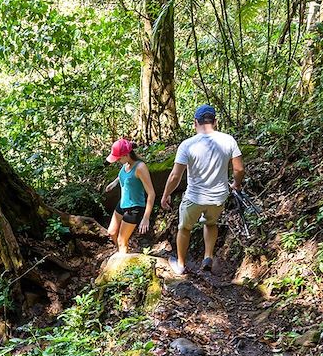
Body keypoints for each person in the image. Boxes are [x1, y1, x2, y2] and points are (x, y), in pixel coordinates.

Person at [160, 104, 245, 274]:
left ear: (195, 122)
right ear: (215, 121)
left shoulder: (187, 145)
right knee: (211, 223)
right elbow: (239, 169)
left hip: (195, 197)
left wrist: (165, 195)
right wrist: (236, 184)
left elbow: (175, 176)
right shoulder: (228, 140)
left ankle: (181, 265)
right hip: (218, 197)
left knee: (184, 228)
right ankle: (208, 256)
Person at [104, 139, 156, 254]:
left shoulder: (140, 167)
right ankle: (122, 253)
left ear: (126, 155)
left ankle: (123, 264)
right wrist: (115, 182)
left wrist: (146, 218)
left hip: (135, 207)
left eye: (118, 158)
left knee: (122, 241)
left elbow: (151, 193)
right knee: (112, 232)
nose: (117, 161)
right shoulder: (126, 164)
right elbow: (124, 175)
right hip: (123, 203)